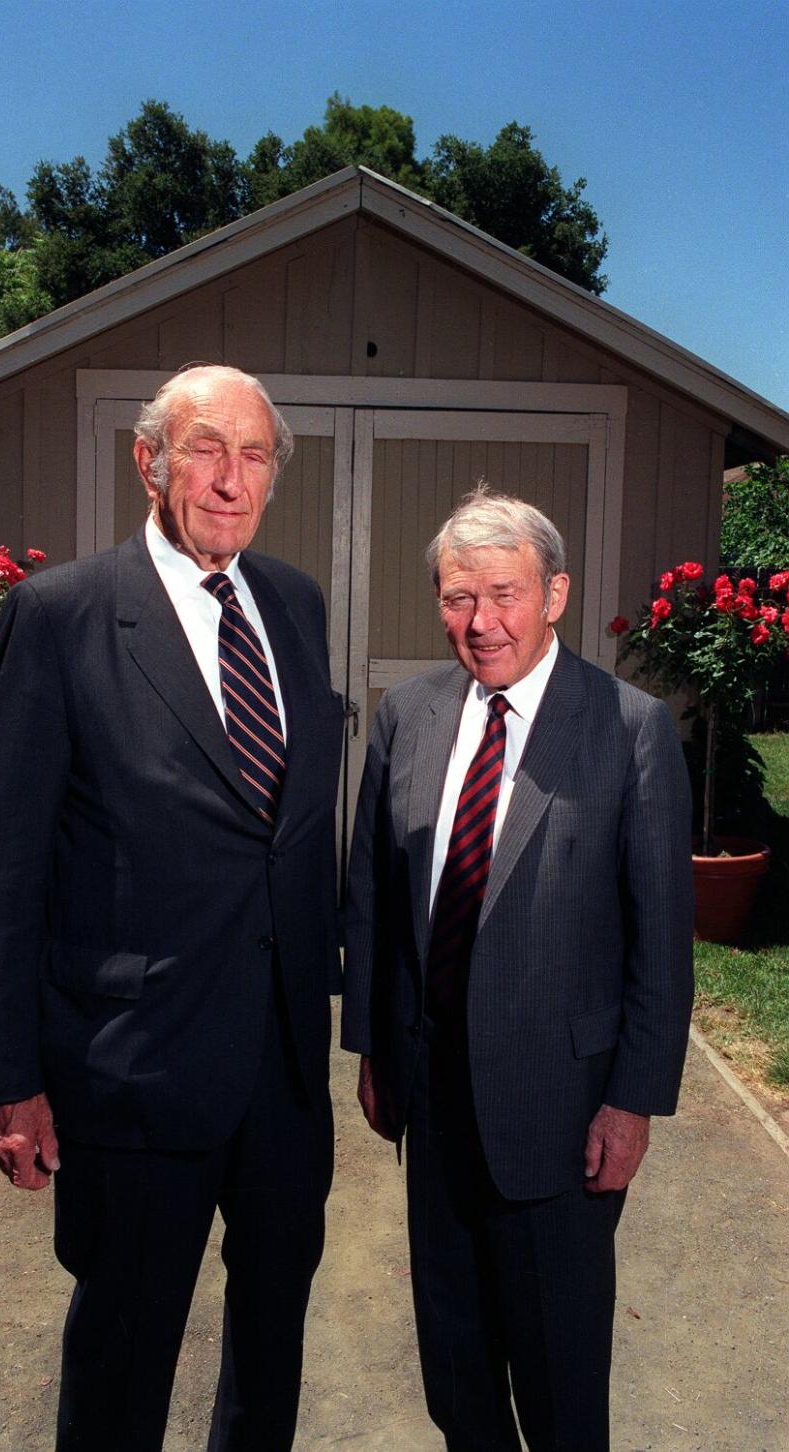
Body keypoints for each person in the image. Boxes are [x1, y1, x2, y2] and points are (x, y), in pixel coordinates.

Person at [0, 364, 344, 1451]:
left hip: (280, 1069)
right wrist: (9, 1079)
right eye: (206, 450)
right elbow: (10, 871)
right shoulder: (62, 617)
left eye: (255, 455)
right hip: (133, 1071)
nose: (231, 480)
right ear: (151, 461)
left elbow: (293, 825)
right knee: (123, 1365)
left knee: (270, 1356)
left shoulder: (296, 601)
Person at [342, 486, 694, 1451]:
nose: (480, 621)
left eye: (503, 593)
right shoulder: (408, 714)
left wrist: (634, 1103)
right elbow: (373, 894)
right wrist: (371, 1048)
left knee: (559, 1384)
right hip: (434, 1103)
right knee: (456, 1379)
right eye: (458, 598)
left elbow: (661, 941)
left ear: (555, 595)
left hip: (563, 1113)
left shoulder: (628, 730)